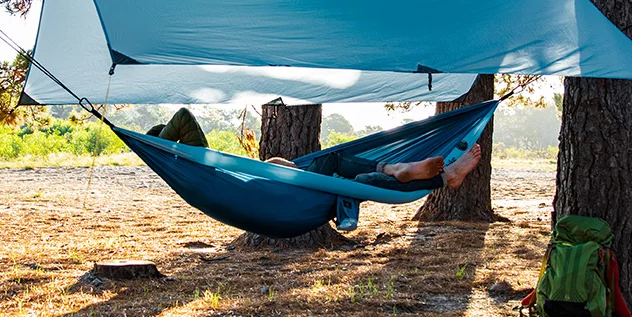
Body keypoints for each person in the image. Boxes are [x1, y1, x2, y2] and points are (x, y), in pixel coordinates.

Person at [147, 107, 481, 192]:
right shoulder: (197, 163)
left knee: (357, 181)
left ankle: (406, 172)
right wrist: (160, 140)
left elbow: (275, 167)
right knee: (340, 167)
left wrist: (278, 164)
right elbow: (183, 117)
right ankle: (421, 174)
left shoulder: (198, 169)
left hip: (281, 182)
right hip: (279, 186)